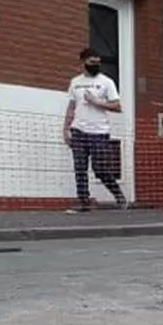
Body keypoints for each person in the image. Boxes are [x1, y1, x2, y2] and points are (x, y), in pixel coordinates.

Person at [63, 48, 128, 213]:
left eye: (98, 62)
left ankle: (118, 195)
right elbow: (71, 106)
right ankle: (84, 202)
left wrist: (96, 102)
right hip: (78, 130)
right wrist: (66, 128)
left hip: (99, 131)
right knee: (80, 167)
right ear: (83, 62)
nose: (95, 65)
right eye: (92, 62)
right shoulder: (75, 82)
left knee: (99, 168)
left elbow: (117, 106)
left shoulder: (106, 82)